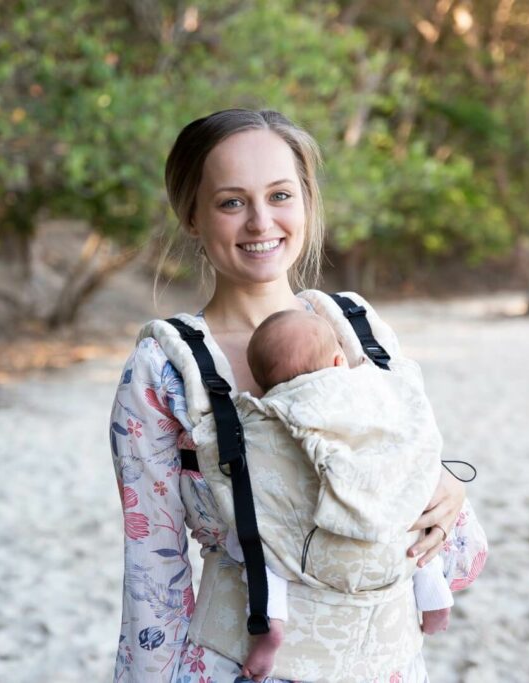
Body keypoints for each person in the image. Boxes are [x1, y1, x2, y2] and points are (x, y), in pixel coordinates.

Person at [110, 108, 487, 683]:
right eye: (231, 202)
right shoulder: (164, 367)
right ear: (192, 215)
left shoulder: (358, 328)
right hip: (238, 667)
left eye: (280, 195)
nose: (261, 222)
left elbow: (437, 524)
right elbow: (152, 574)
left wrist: (449, 492)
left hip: (388, 666)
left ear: (307, 201)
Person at [235, 308, 455, 681]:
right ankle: (434, 596)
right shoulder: (369, 386)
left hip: (314, 539)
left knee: (255, 541)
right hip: (380, 499)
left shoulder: (272, 408)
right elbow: (409, 429)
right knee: (411, 523)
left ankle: (271, 619)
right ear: (340, 360)